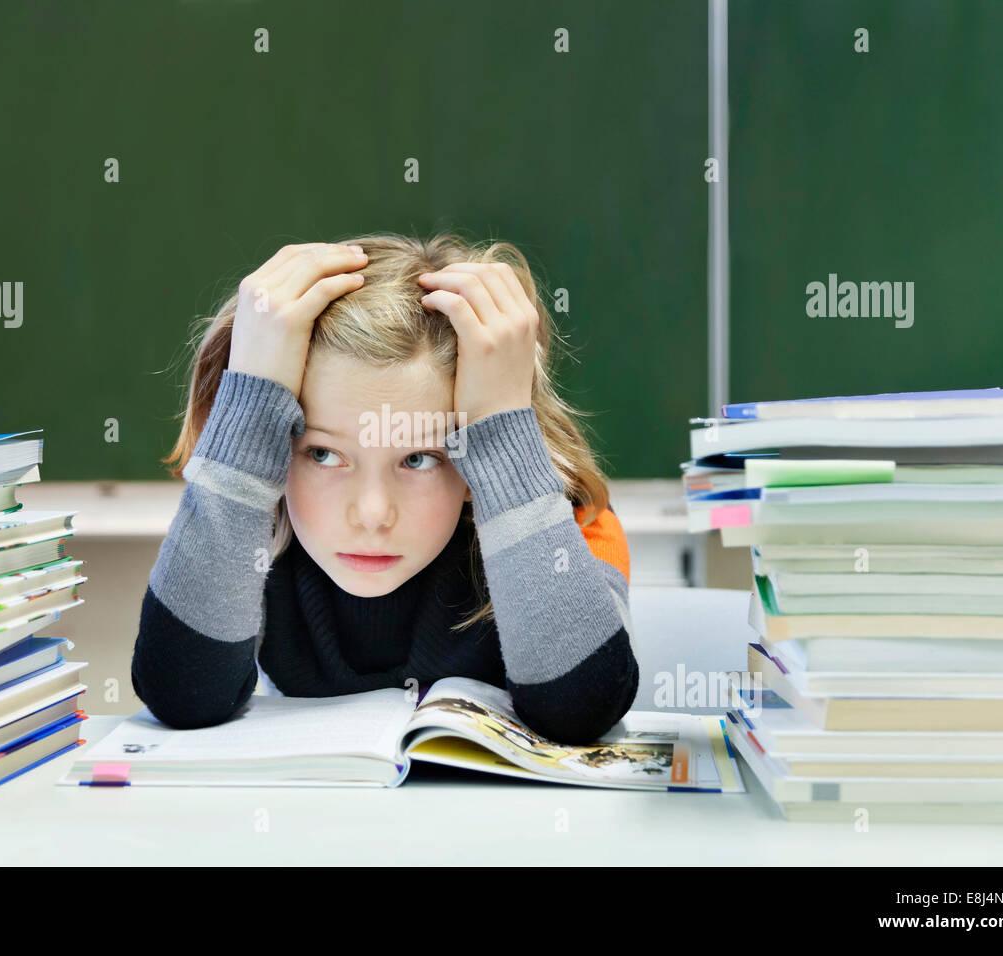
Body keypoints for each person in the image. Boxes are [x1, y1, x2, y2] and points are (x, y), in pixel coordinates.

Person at [130, 233, 638, 744]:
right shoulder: (251, 508)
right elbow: (182, 695)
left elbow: (582, 710)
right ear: (273, 444)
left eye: (418, 459)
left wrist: (503, 427)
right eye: (323, 454)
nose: (372, 514)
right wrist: (247, 411)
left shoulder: (567, 521)